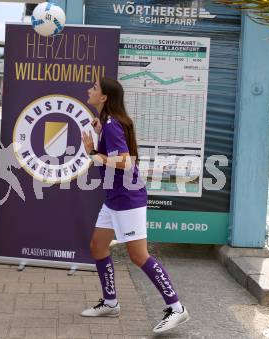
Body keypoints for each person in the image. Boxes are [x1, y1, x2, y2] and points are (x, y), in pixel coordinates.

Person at [80, 78, 189, 334]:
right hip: (114, 198)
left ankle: (176, 307)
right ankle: (110, 303)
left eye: (94, 88)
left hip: (128, 200)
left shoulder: (112, 125)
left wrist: (94, 153)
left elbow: (126, 163)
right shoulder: (108, 124)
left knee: (139, 256)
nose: (89, 90)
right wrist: (97, 142)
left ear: (105, 97)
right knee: (98, 247)